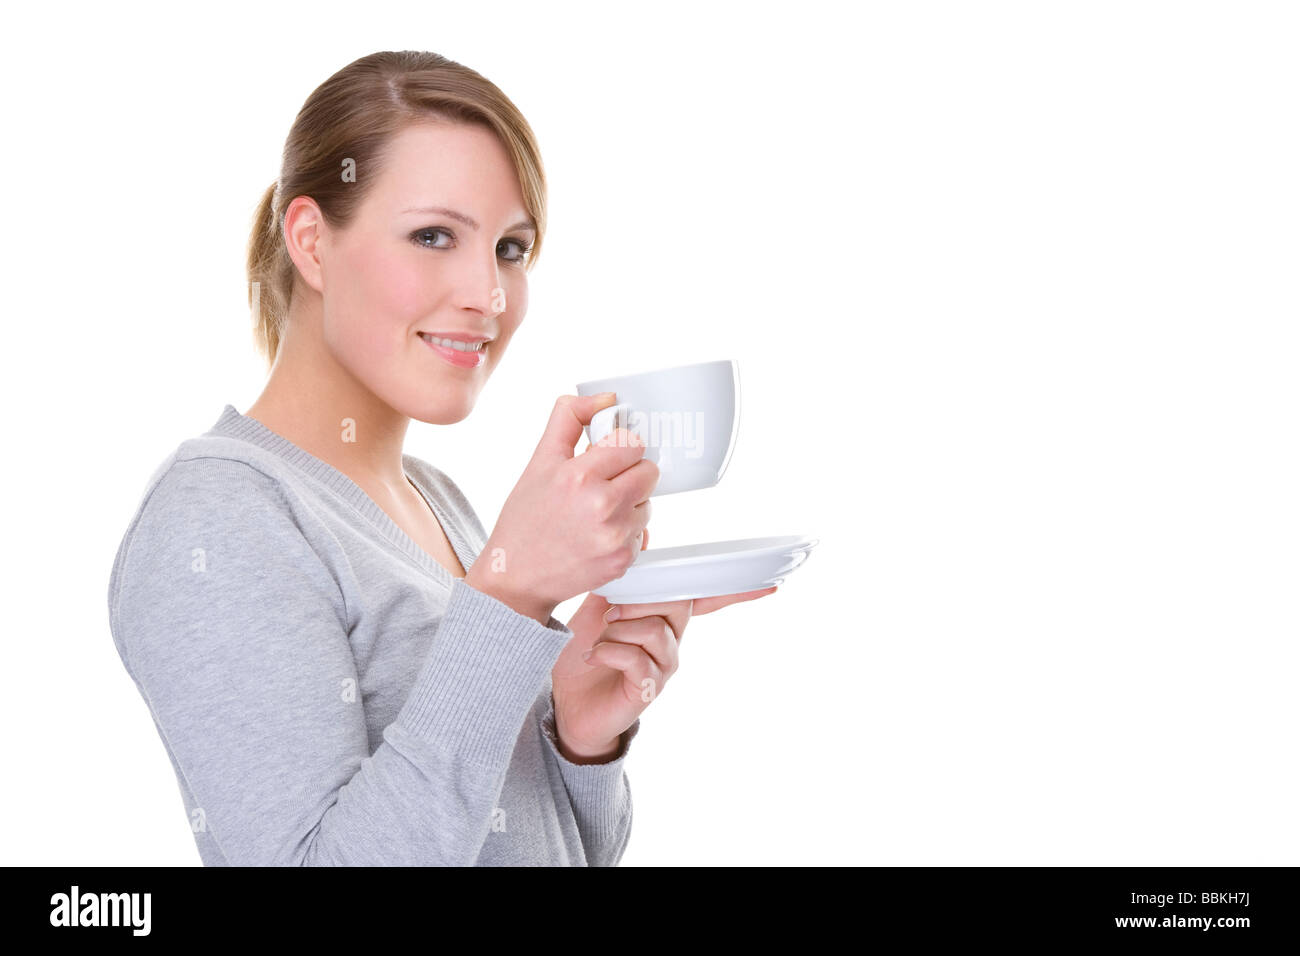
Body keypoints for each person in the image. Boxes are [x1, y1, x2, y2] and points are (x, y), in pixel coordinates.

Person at [105, 50, 776, 866]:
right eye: (433, 236)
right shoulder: (218, 516)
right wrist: (510, 596)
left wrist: (579, 744)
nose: (488, 295)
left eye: (510, 248)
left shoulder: (436, 499)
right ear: (312, 244)